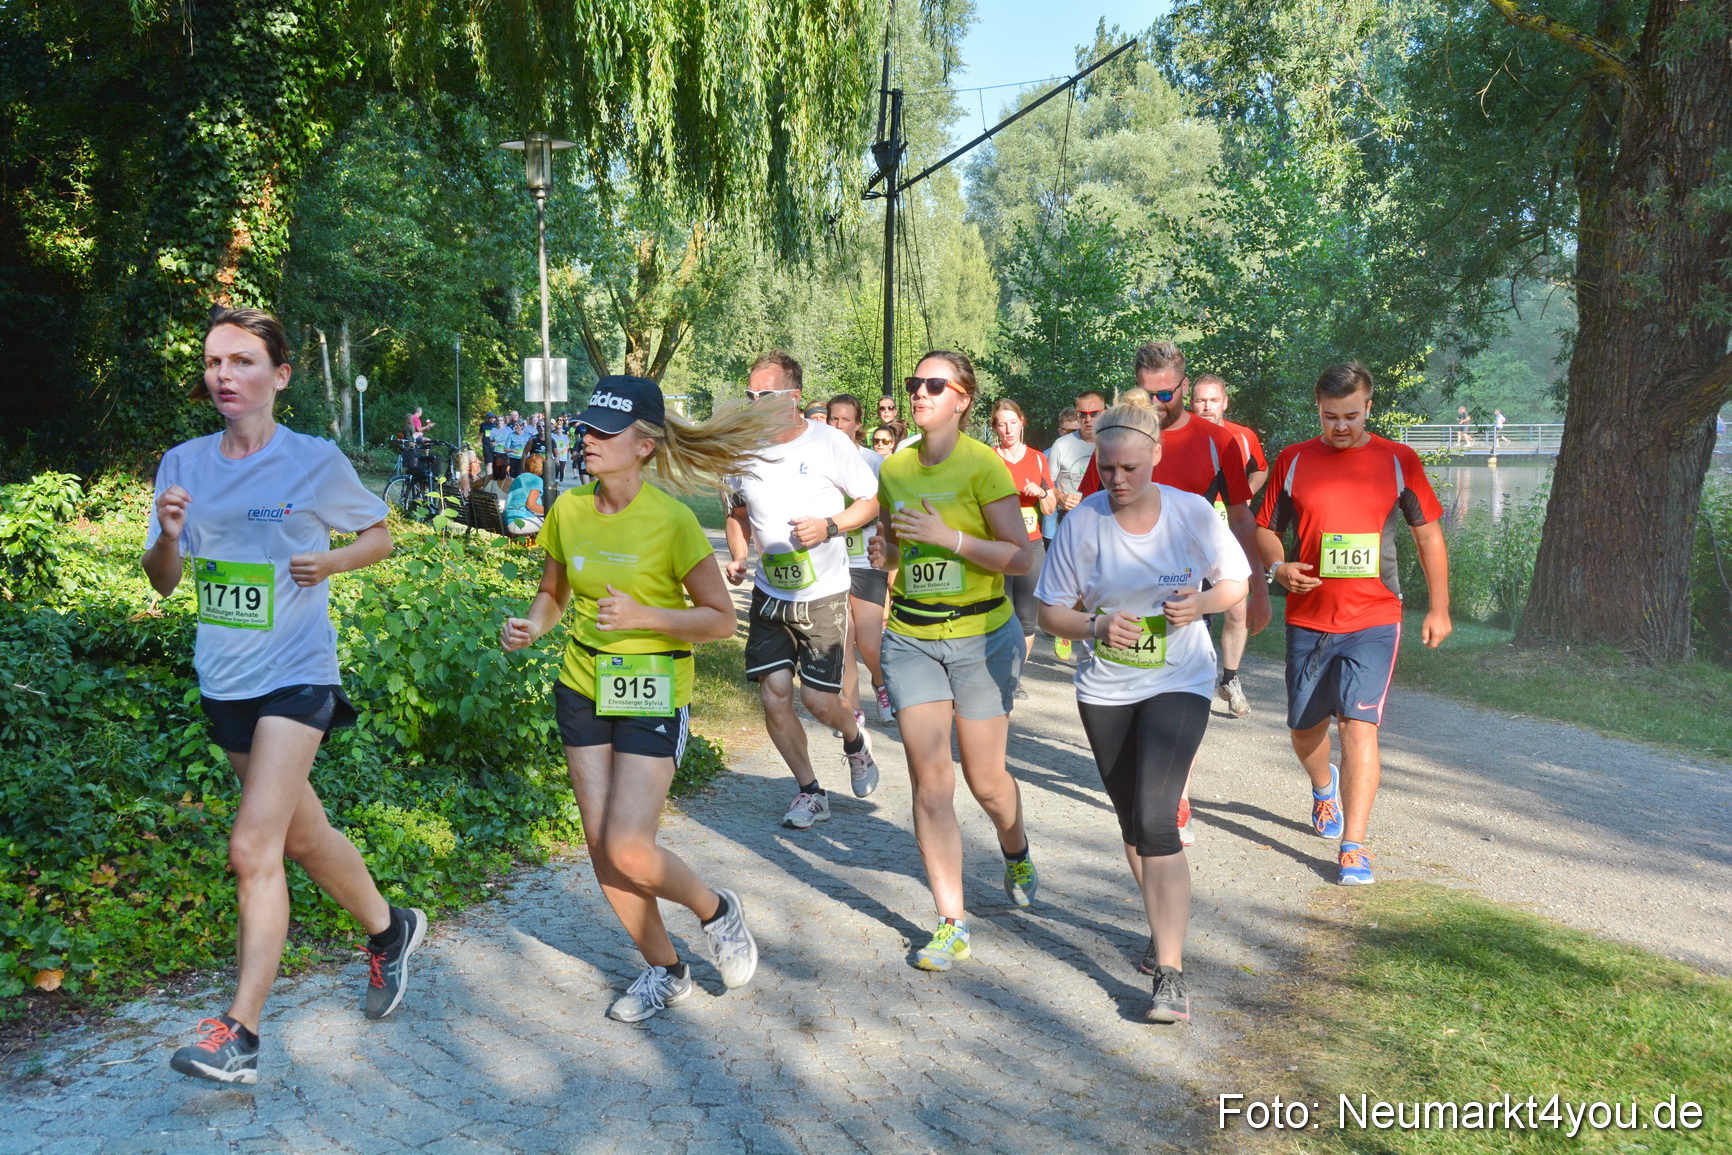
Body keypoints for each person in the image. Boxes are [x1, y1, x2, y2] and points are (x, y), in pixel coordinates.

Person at [144, 307, 421, 1085]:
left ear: (280, 375)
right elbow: (164, 581)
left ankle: (239, 1033)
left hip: (298, 673)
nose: (223, 375)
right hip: (225, 677)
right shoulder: (183, 463)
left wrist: (328, 563)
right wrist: (168, 535)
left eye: (241, 360)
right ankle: (389, 927)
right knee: (301, 835)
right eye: (212, 362)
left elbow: (380, 534)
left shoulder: (313, 459)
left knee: (251, 845)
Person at [502, 375, 785, 1022]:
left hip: (653, 689)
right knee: (603, 847)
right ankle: (666, 969)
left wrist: (645, 615)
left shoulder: (673, 521)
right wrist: (533, 623)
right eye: (587, 427)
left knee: (629, 845)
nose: (588, 438)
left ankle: (717, 910)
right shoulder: (569, 511)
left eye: (605, 430)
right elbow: (554, 593)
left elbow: (719, 620)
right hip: (582, 685)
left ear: (645, 445)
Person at [1036, 402, 1249, 1023]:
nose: (1117, 479)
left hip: (1179, 679)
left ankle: (1172, 976)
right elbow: (1052, 612)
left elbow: (1235, 581)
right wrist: (1095, 624)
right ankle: (1163, 925)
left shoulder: (1190, 514)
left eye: (1128, 467)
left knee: (1158, 815)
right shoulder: (1083, 525)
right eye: (1106, 469)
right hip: (1105, 689)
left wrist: (1201, 602)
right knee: (1134, 823)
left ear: (1155, 454)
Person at [870, 349, 1035, 972]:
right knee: (931, 781)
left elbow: (1021, 558)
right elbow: (889, 556)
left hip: (981, 638)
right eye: (915, 384)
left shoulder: (982, 465)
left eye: (934, 385)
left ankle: (1015, 848)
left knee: (986, 781)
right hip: (911, 636)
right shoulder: (896, 468)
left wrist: (951, 539)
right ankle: (951, 921)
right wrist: (887, 549)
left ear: (962, 399)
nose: (919, 392)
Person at [1256, 362, 1451, 886]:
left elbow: (1428, 535)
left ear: (1369, 406)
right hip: (1310, 617)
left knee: (1359, 725)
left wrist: (1439, 607)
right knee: (1303, 729)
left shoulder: (1398, 460)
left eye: (1350, 415)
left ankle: (1354, 846)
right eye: (1329, 416)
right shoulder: (1294, 460)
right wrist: (1279, 567)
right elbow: (1264, 530)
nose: (1340, 427)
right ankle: (1324, 788)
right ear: (1316, 409)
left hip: (1375, 615)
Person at [1079, 343, 1271, 847]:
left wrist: (1258, 589)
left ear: (1184, 386)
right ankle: (1152, 791)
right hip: (1120, 594)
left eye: (1167, 391)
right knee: (1127, 695)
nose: (1158, 400)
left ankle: (1172, 794)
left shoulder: (1217, 441)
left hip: (1183, 590)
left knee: (1176, 691)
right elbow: (1088, 508)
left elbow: (1241, 517)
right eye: (1148, 390)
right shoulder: (1120, 438)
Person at [724, 351, 883, 826]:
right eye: (749, 395)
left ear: (792, 397)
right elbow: (736, 513)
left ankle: (855, 741)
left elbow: (869, 502)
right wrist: (738, 555)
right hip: (771, 591)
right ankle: (810, 791)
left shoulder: (830, 443)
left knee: (817, 701)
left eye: (764, 395)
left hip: (824, 593)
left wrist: (830, 525)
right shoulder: (741, 449)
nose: (753, 403)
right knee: (773, 693)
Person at [1188, 373, 1269, 717]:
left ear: (1225, 402)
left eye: (1212, 400)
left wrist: (1243, 498)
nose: (1206, 406)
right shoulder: (1184, 438)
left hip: (1231, 532)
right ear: (1191, 402)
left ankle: (1231, 678)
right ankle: (1198, 678)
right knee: (1197, 608)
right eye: (1200, 400)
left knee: (1237, 609)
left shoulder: (1243, 436)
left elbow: (1261, 469)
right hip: (1194, 538)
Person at [827, 393, 893, 722]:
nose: (839, 426)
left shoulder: (873, 461)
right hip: (831, 562)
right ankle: (854, 712)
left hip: (865, 560)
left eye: (846, 420)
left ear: (858, 425)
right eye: (833, 419)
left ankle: (882, 684)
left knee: (868, 641)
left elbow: (886, 510)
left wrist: (857, 518)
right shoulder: (818, 458)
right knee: (845, 639)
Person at [989, 399, 1056, 677]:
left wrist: (1040, 493)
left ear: (1022, 423)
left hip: (1031, 544)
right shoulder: (989, 458)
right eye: (1002, 424)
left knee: (1027, 620)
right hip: (1000, 546)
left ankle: (1013, 676)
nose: (1008, 430)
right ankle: (999, 671)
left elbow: (1050, 507)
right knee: (1001, 615)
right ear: (995, 428)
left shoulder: (1038, 458)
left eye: (1013, 423)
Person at [504, 453, 547, 535]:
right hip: (521, 521)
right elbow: (530, 505)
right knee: (553, 521)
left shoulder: (518, 478)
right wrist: (550, 511)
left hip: (510, 519)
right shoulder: (536, 480)